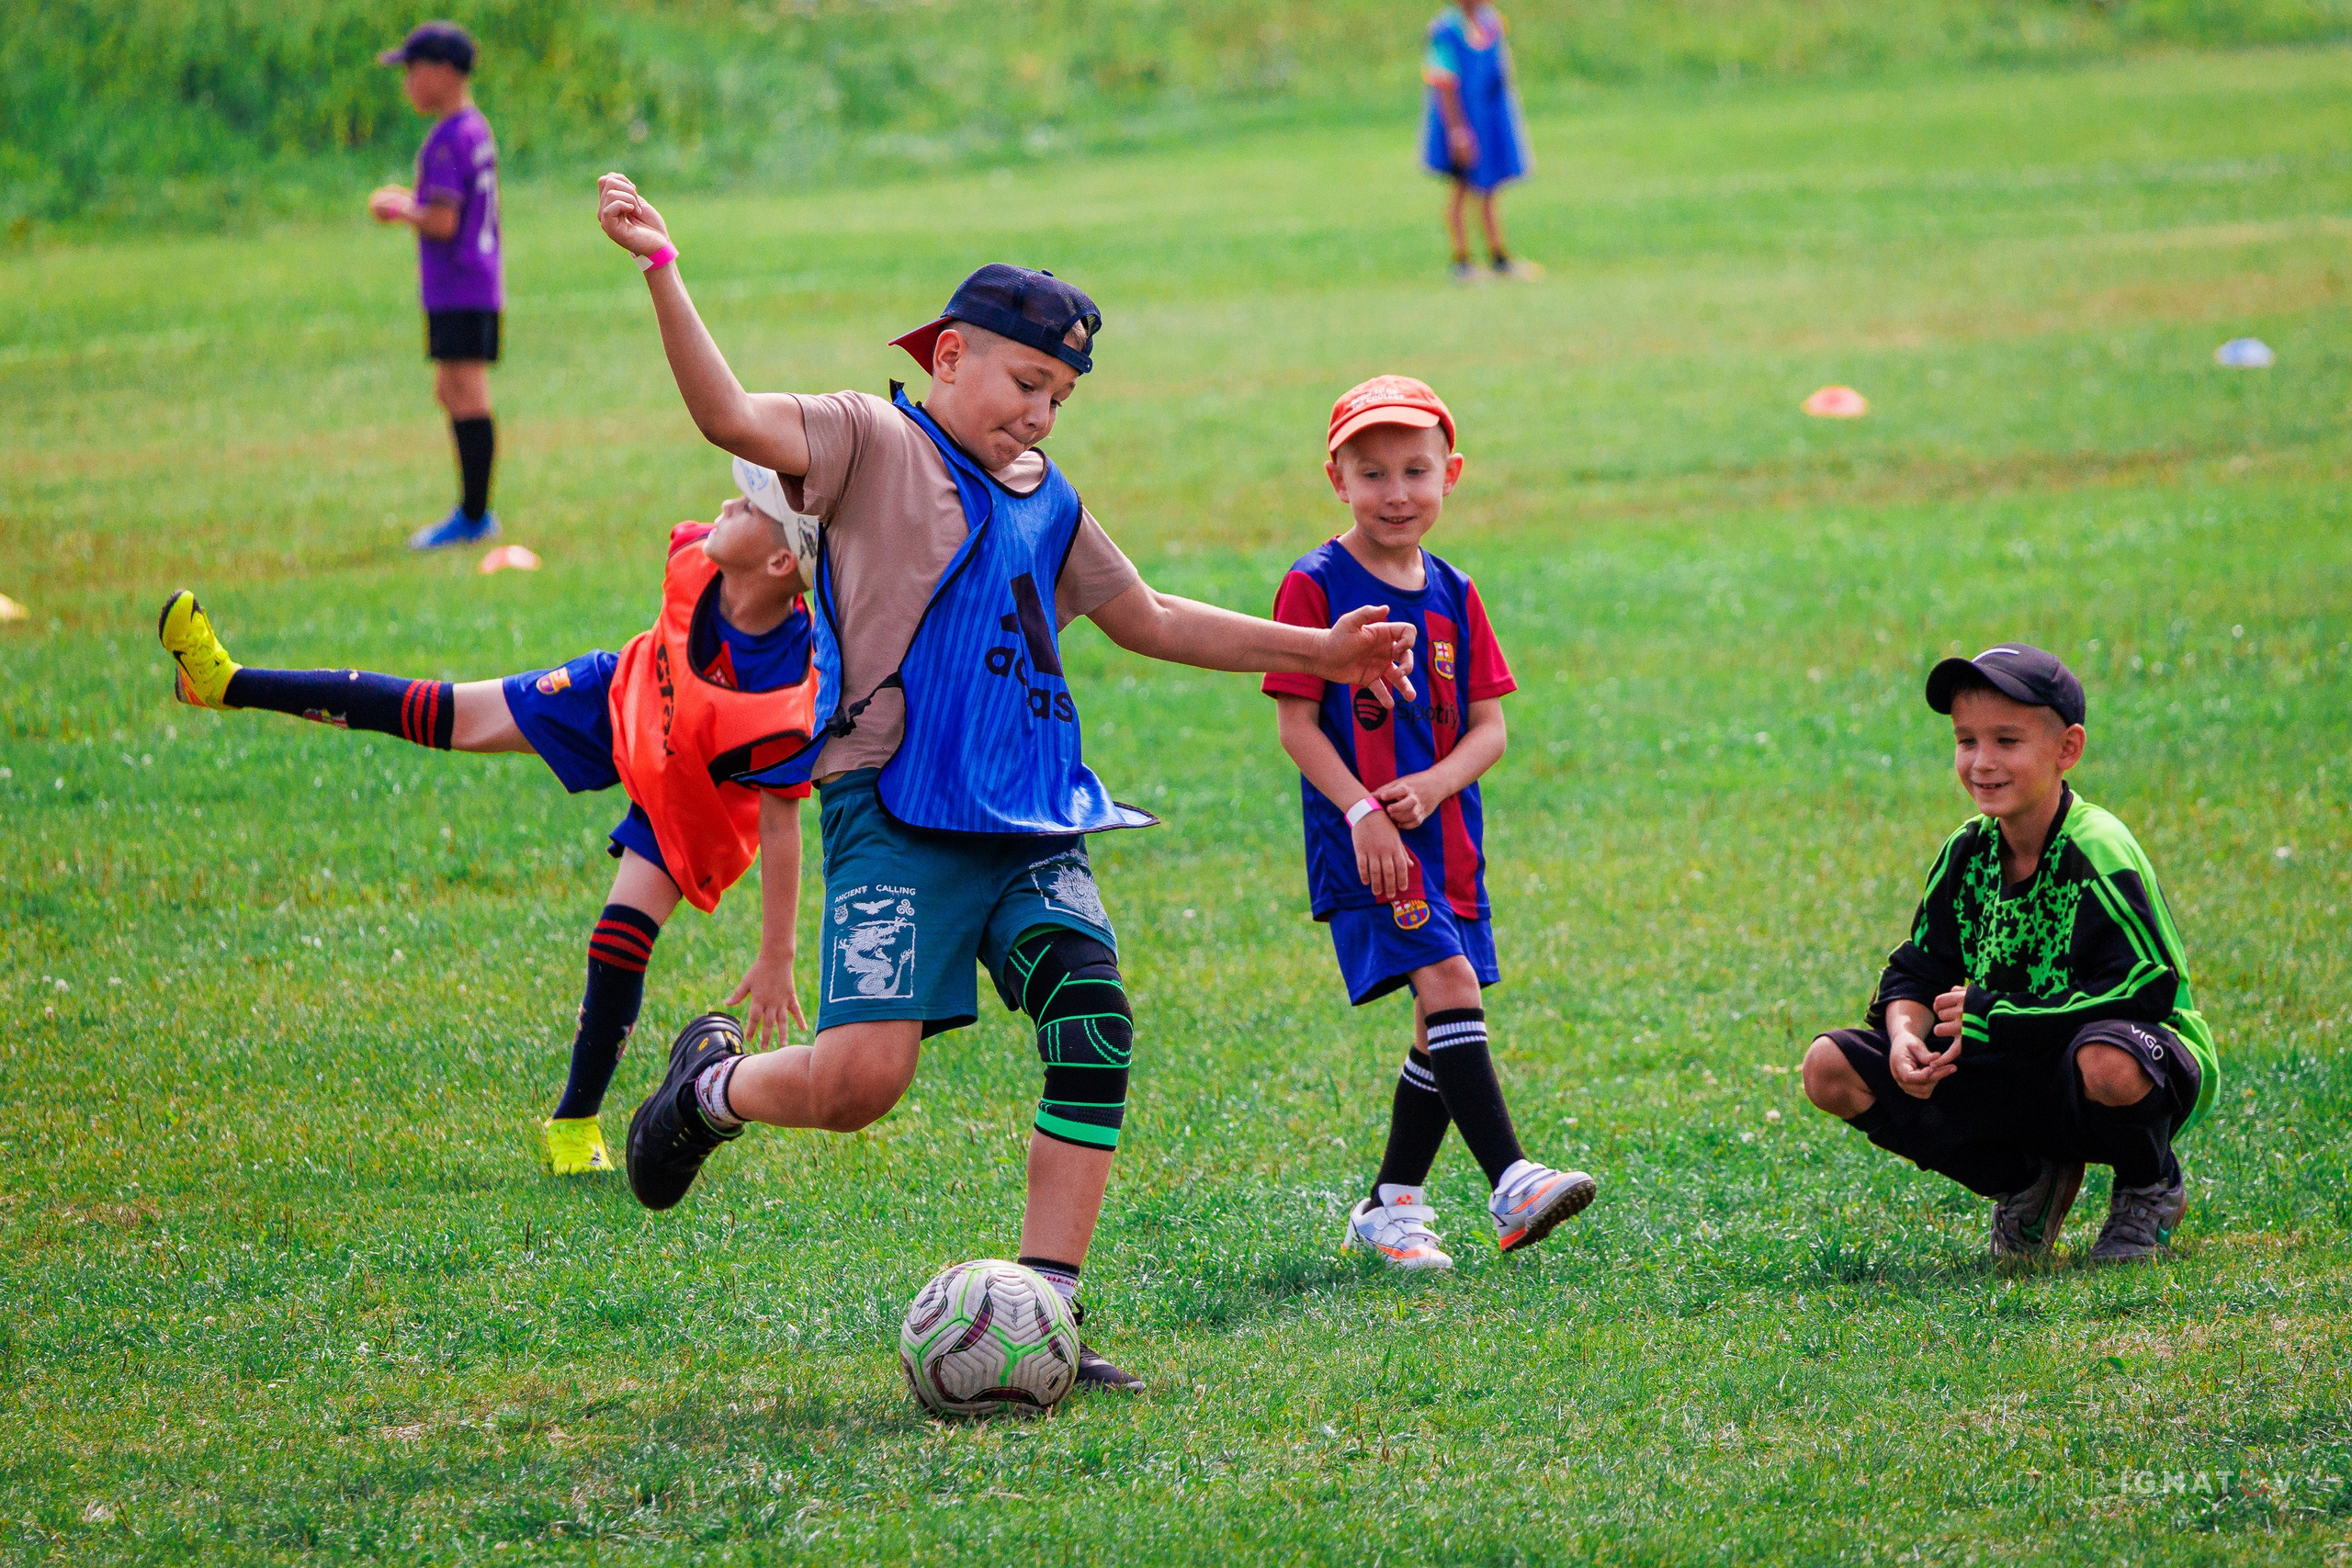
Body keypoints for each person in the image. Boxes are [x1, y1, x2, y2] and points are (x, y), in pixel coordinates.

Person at [593, 170, 1422, 1391]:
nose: (1042, 414)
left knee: (1093, 1021)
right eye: (1028, 384)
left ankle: (1055, 1312)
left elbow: (1145, 615)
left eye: (1062, 396)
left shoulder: (1048, 499)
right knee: (859, 1083)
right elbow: (726, 415)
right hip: (897, 812)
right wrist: (665, 269)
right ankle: (709, 1086)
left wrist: (1326, 651)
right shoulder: (868, 440)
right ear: (953, 355)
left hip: (1030, 813)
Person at [156, 463, 827, 1175]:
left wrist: (776, 955)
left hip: (687, 802)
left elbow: (783, 827)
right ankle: (225, 682)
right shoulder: (700, 555)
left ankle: (574, 1126)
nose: (727, 500)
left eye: (750, 504)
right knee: (444, 711)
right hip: (620, 695)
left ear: (782, 560)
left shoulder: (783, 696)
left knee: (619, 937)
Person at [1264, 376, 1594, 1271]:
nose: (1396, 492)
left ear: (1451, 474)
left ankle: (1390, 1206)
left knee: (1436, 1027)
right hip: (1365, 845)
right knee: (1449, 984)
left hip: (1447, 844)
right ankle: (1511, 1177)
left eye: (1415, 471)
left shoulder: (1455, 590)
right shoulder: (1314, 584)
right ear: (1337, 479)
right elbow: (1296, 724)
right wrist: (1366, 809)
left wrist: (1436, 783)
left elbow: (1489, 728)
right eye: (1371, 473)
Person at [1799, 645, 2221, 1262]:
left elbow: (2146, 985)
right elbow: (1915, 970)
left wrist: (1997, 1016)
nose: (1982, 762)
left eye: (2007, 740)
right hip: (2019, 1066)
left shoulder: (2097, 847)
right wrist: (1906, 1037)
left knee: (2108, 1058)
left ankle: (2148, 1183)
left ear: (2066, 749)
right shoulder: (1968, 851)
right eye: (1966, 740)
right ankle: (2029, 1180)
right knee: (1827, 1065)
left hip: (2140, 1062)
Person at [368, 21, 506, 551]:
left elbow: (444, 222)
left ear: (445, 73)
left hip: (459, 284)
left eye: (413, 70)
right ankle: (473, 511)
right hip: (473, 282)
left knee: (465, 392)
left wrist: (402, 208)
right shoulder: (475, 128)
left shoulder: (448, 138)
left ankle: (474, 516)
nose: (407, 83)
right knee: (452, 390)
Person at [1420, 3, 1537, 282]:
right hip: (1462, 120)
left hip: (1488, 120)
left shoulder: (1491, 23)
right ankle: (1461, 261)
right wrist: (1457, 130)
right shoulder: (1446, 31)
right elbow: (1442, 81)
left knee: (1489, 192)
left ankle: (1498, 256)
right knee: (1461, 190)